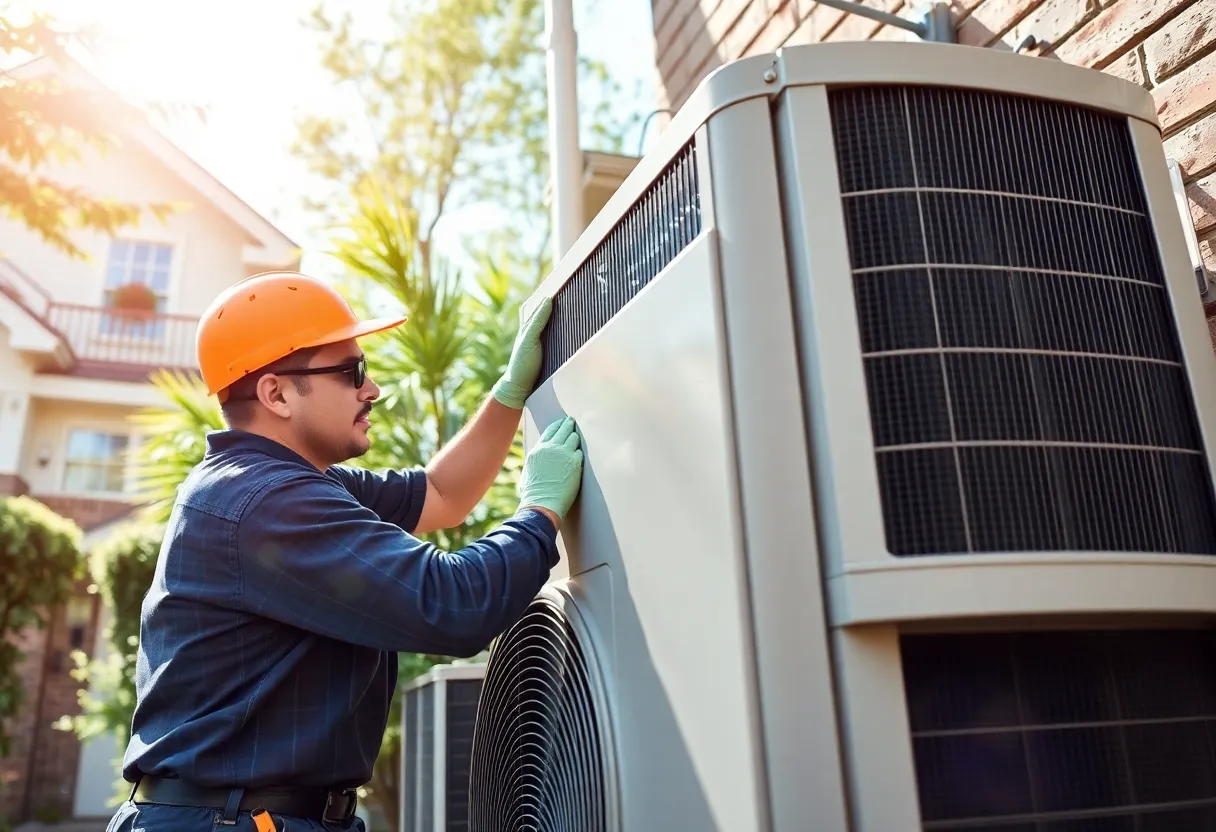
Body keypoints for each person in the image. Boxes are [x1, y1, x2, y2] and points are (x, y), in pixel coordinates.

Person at [104, 270, 583, 832]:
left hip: (247, 816)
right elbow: (453, 604)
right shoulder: (266, 502)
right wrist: (539, 513)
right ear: (276, 393)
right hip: (232, 821)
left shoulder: (282, 483)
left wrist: (509, 394)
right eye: (351, 372)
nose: (372, 389)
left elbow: (442, 495)